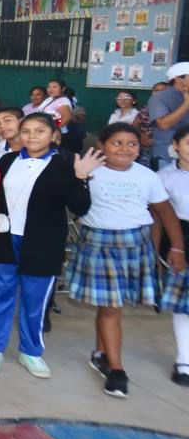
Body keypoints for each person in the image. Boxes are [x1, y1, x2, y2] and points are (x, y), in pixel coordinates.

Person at [65, 123, 184, 398]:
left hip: (135, 243)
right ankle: (117, 370)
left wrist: (176, 248)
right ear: (103, 146)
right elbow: (73, 204)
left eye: (131, 144)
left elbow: (165, 212)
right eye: (117, 142)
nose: (125, 148)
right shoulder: (88, 171)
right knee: (112, 306)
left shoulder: (147, 176)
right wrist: (78, 177)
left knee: (111, 306)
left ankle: (100, 353)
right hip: (99, 242)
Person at [0, 113, 99, 378]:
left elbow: (80, 207)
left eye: (40, 131)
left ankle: (31, 351)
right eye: (27, 131)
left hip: (42, 243)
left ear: (53, 135)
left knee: (35, 301)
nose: (32, 136)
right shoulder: (7, 160)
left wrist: (81, 178)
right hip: (4, 238)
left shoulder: (66, 165)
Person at [158, 124, 189, 386]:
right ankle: (184, 361)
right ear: (176, 146)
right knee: (183, 305)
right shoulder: (165, 176)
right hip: (181, 239)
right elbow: (160, 217)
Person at [150, 63, 189, 170]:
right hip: (168, 155)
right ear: (178, 79)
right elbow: (163, 124)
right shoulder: (159, 98)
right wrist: (186, 104)